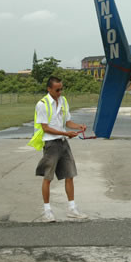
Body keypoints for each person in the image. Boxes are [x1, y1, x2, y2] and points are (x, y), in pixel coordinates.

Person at [30, 76, 88, 222]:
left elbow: (67, 121)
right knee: (48, 178)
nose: (60, 92)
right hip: (50, 144)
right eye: (57, 89)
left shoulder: (63, 101)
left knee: (70, 175)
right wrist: (65, 133)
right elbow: (45, 128)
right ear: (49, 89)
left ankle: (72, 209)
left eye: (61, 89)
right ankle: (47, 211)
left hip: (63, 143)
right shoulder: (42, 104)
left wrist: (78, 126)